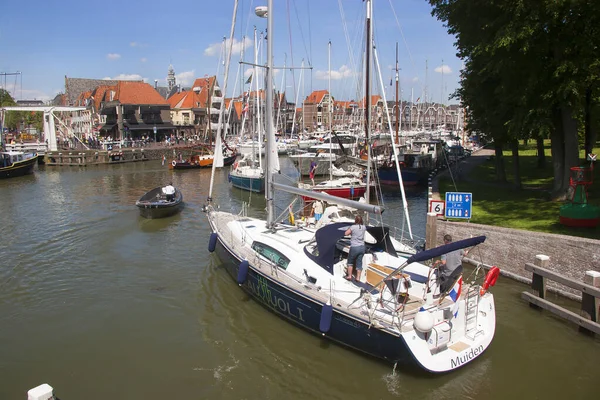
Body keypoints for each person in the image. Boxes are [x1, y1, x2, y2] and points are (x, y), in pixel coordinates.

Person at [344, 215, 366, 281]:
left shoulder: (353, 227)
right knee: (359, 262)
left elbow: (346, 233)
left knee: (350, 261)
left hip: (354, 247)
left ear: (355, 220)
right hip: (362, 247)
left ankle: (349, 276)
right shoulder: (364, 227)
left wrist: (350, 231)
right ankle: (358, 278)